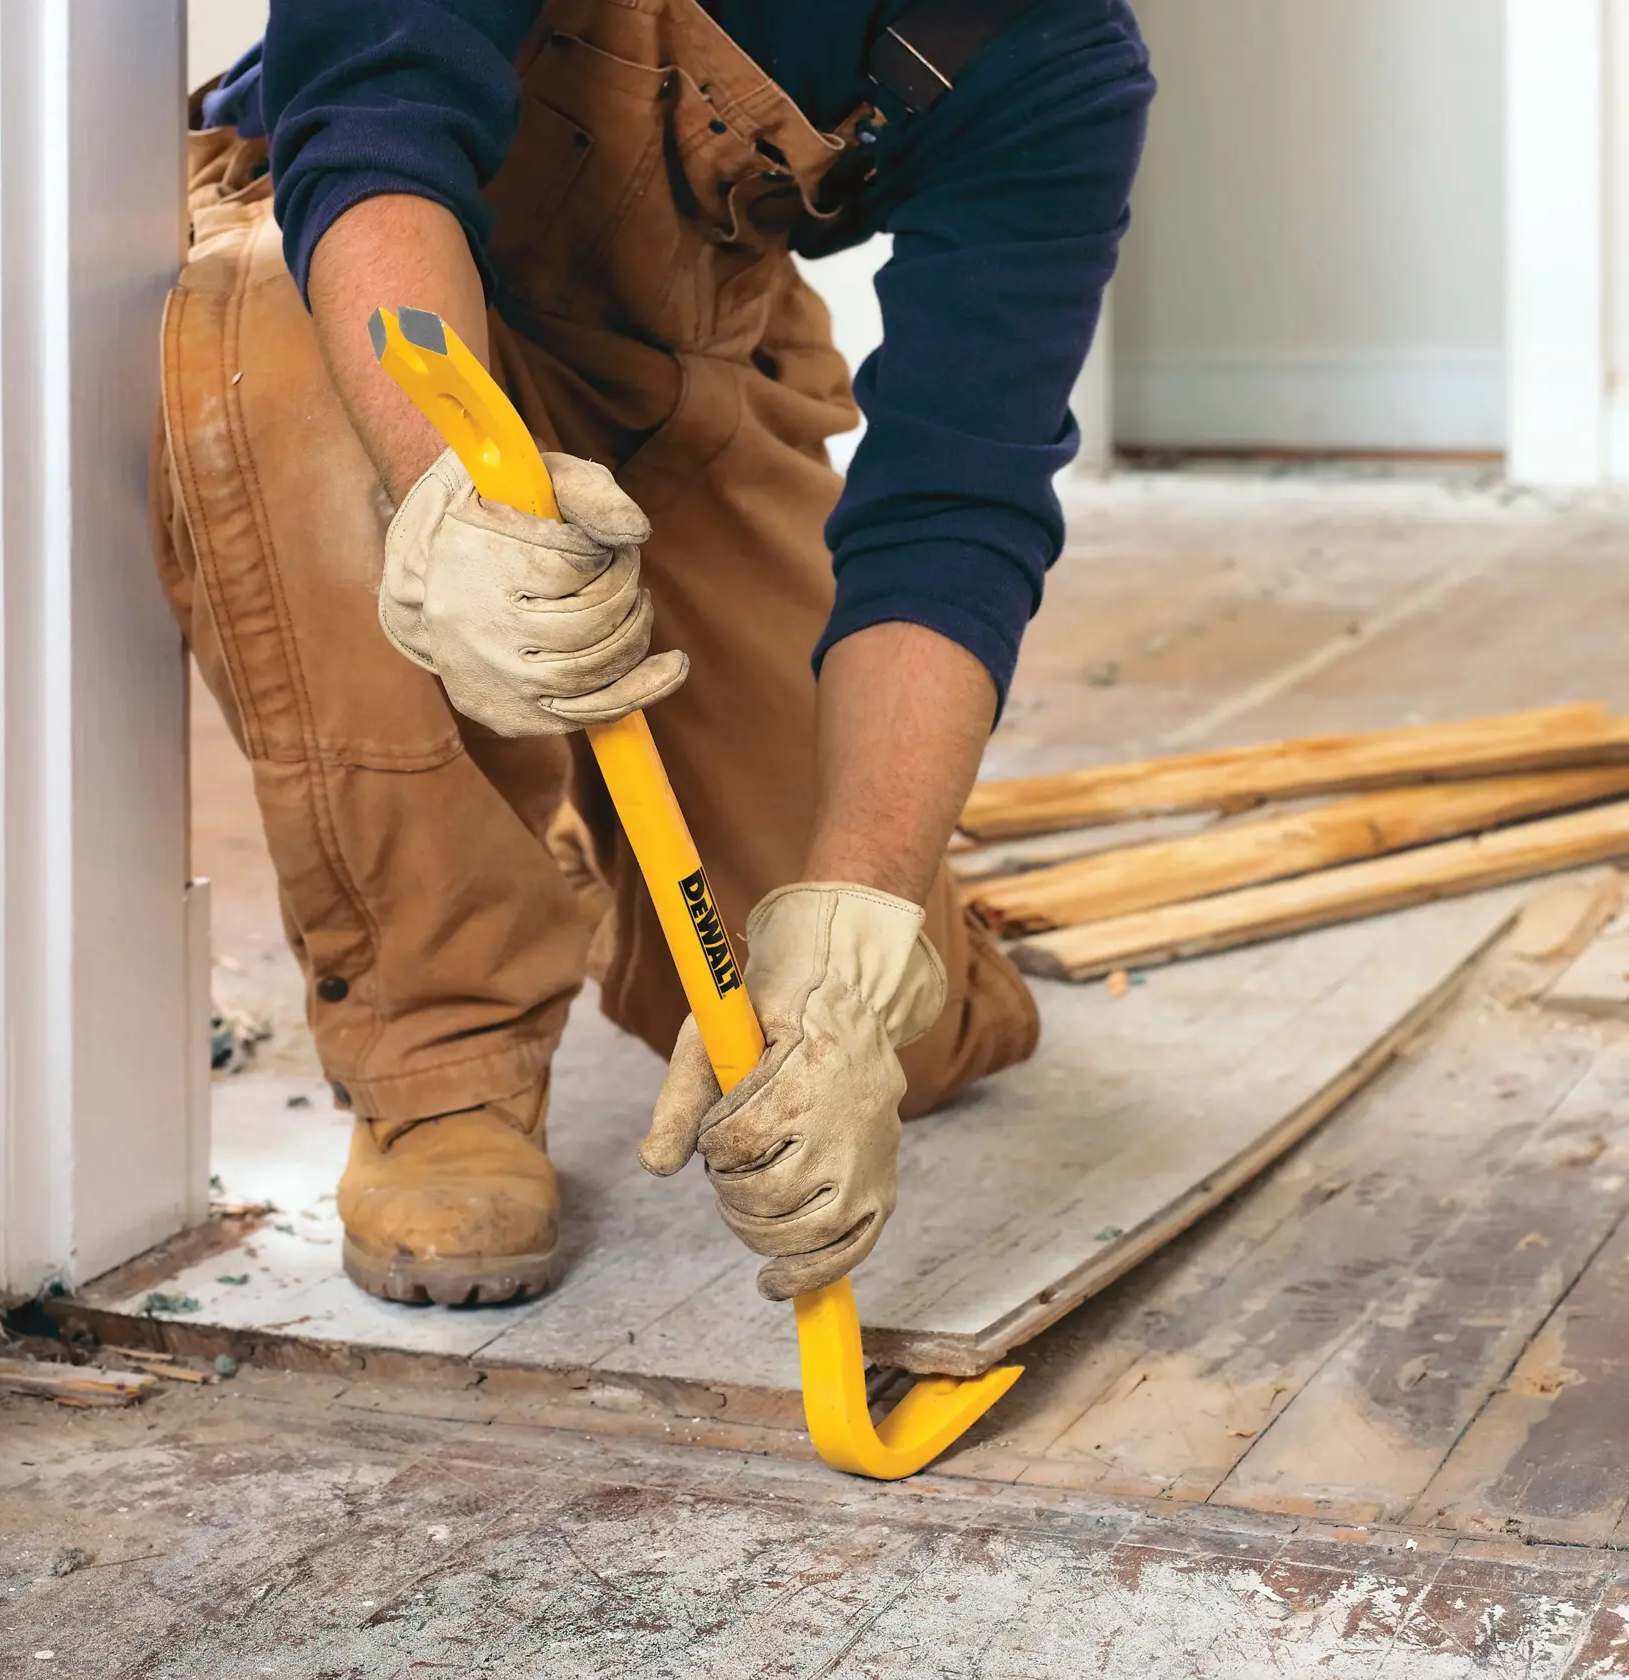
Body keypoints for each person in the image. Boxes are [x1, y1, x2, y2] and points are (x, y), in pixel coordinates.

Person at [151, 0, 1153, 1309]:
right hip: (351, 262)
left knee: (900, 1029)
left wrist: (858, 940)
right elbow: (378, 126)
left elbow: (954, 508)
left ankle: (584, 836)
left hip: (677, 347)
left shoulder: (1054, 56)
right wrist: (450, 492)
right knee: (279, 350)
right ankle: (445, 1054)